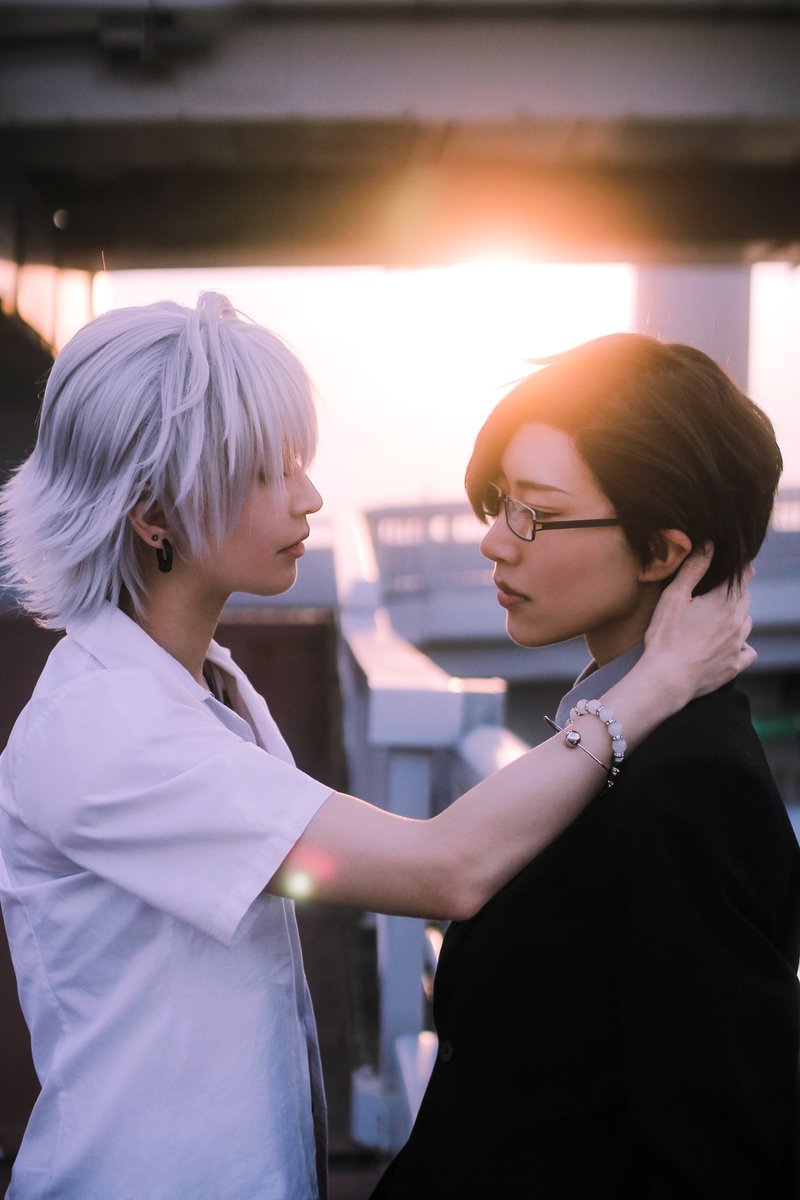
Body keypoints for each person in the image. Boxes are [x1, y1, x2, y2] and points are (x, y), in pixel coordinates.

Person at [0, 298, 752, 1200]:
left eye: (298, 463)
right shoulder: (106, 730)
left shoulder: (200, 682)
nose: (308, 497)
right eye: (268, 473)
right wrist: (655, 684)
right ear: (154, 513)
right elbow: (446, 870)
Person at [369, 333, 800, 1200]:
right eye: (499, 502)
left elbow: (725, 1150)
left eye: (535, 513)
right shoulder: (618, 738)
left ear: (663, 552)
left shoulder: (691, 785)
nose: (495, 542)